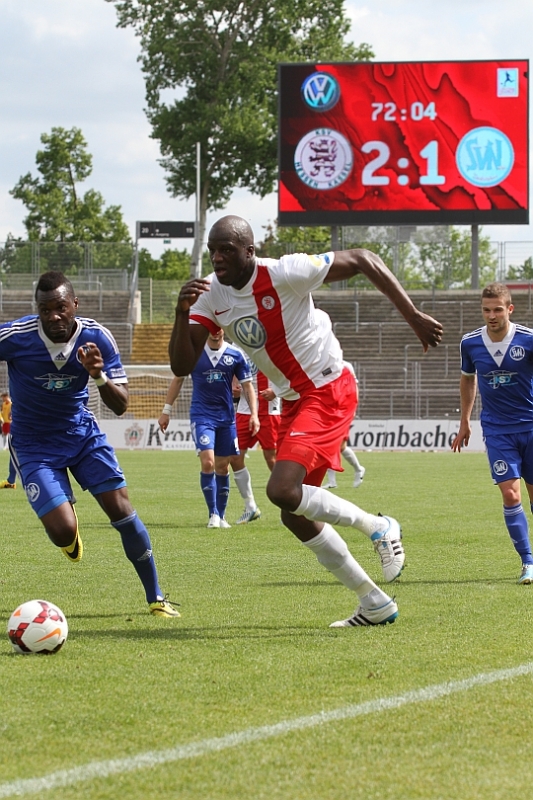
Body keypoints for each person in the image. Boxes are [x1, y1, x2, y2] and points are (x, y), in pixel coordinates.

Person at [168, 215, 443, 628]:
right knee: (293, 512)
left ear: (249, 251)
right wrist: (181, 313)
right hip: (295, 400)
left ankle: (379, 526)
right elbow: (181, 364)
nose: (217, 258)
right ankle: (374, 602)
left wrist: (413, 315)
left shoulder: (285, 272)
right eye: (213, 250)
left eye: (227, 250)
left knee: (281, 489)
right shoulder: (210, 295)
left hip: (328, 387)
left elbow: (364, 258)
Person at [0, 271, 180, 618]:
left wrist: (98, 375)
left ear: (75, 304)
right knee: (62, 530)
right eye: (45, 310)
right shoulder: (16, 336)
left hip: (82, 435)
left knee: (122, 510)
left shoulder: (97, 337)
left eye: (61, 308)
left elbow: (121, 405)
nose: (54, 316)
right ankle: (69, 532)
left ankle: (156, 597)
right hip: (34, 444)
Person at [451, 282, 533, 585]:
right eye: (486, 310)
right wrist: (465, 420)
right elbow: (467, 380)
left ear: (509, 309)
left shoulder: (528, 339)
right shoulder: (470, 343)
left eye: (498, 309)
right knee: (511, 494)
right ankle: (528, 561)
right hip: (498, 430)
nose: (492, 315)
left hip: (531, 426)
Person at [158, 328, 259, 528]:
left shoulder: (235, 355)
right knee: (208, 463)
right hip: (202, 416)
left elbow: (248, 386)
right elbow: (178, 379)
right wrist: (166, 411)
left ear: (223, 329)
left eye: (218, 329)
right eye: (211, 329)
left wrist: (254, 414)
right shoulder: (193, 353)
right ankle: (213, 513)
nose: (215, 333)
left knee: (223, 466)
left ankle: (221, 516)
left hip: (226, 419)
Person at [231, 365, 281, 523]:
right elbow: (234, 377)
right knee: (235, 457)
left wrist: (276, 391)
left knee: (272, 459)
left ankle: (288, 507)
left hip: (269, 412)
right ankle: (250, 506)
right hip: (244, 412)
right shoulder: (239, 352)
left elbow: (290, 376)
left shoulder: (273, 352)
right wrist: (234, 390)